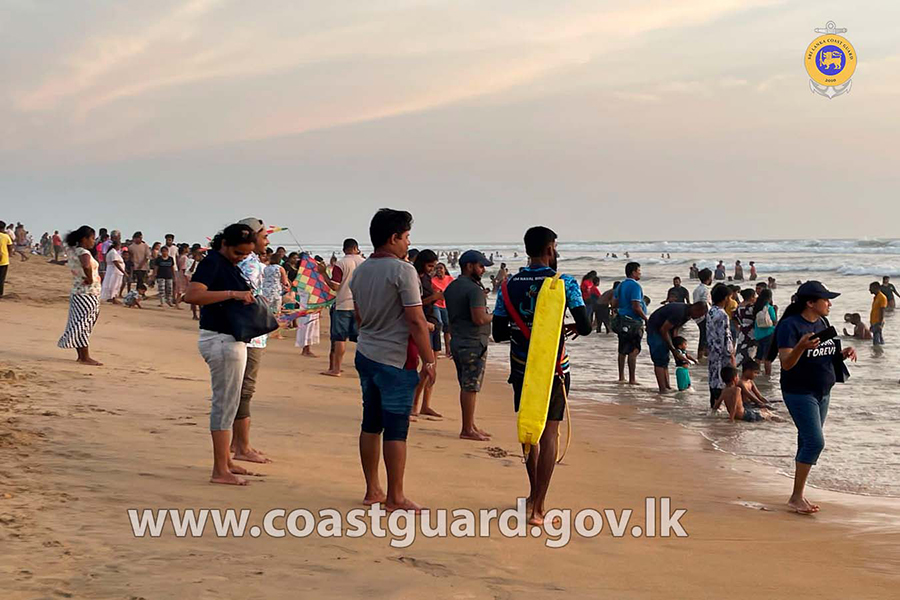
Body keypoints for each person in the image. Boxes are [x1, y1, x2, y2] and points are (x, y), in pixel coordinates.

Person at [493, 226, 592, 527]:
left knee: (528, 430)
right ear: (550, 248)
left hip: (522, 367)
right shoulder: (564, 282)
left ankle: (532, 494)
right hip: (555, 368)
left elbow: (498, 333)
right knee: (550, 432)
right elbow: (585, 325)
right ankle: (539, 505)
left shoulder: (508, 285)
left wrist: (525, 330)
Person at [350, 208, 435, 512]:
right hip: (394, 357)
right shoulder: (403, 270)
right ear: (394, 237)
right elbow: (415, 318)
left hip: (367, 351)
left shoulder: (360, 270)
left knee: (371, 422)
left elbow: (360, 317)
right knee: (396, 427)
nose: (408, 242)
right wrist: (429, 360)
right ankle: (395, 496)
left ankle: (373, 489)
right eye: (406, 236)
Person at [770, 281, 856, 514]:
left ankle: (798, 494)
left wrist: (841, 354)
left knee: (806, 440)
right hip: (799, 391)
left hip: (823, 391)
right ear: (810, 303)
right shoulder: (790, 326)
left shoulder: (822, 322)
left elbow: (821, 354)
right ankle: (796, 497)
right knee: (815, 442)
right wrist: (800, 347)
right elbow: (787, 364)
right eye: (825, 299)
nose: (829, 303)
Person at [184, 223, 258, 485]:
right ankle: (219, 470)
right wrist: (233, 294)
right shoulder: (213, 261)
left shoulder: (225, 262)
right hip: (220, 339)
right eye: (238, 252)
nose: (241, 258)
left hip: (229, 339)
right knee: (224, 403)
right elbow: (191, 295)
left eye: (246, 254)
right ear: (224, 243)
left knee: (230, 402)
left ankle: (225, 462)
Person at [443, 250, 494, 440]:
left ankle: (470, 424)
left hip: (458, 340)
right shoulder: (474, 290)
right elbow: (479, 318)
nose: (482, 270)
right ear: (469, 266)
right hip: (473, 342)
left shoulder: (452, 287)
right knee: (470, 386)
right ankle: (467, 429)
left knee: (465, 384)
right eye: (480, 266)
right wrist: (495, 316)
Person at [234, 217, 272, 464]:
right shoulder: (249, 264)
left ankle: (236, 442)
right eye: (264, 236)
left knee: (239, 389)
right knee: (245, 389)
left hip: (248, 332)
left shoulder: (249, 262)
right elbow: (248, 296)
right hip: (249, 334)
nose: (267, 241)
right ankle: (242, 447)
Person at [319, 238, 365, 377]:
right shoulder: (365, 263)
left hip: (344, 304)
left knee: (340, 338)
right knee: (362, 339)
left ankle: (336, 368)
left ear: (345, 249)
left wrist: (323, 273)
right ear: (356, 248)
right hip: (361, 305)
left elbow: (335, 286)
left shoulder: (341, 263)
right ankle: (362, 369)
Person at [57, 226, 102, 365]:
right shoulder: (83, 252)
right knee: (84, 324)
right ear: (84, 239)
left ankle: (82, 355)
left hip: (79, 292)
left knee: (81, 323)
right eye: (92, 238)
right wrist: (89, 278)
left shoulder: (74, 251)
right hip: (87, 293)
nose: (93, 242)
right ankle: (84, 356)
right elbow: (86, 265)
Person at [646, 301, 708, 393]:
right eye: (700, 314)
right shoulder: (679, 312)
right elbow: (663, 329)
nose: (699, 317)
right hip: (655, 329)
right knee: (659, 359)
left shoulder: (687, 314)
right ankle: (662, 389)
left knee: (665, 360)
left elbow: (675, 328)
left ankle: (667, 386)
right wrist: (673, 349)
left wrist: (676, 346)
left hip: (665, 330)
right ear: (696, 309)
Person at [411, 249, 442, 418]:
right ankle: (414, 404)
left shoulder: (427, 278)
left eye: (434, 266)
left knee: (432, 366)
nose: (432, 269)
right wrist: (435, 297)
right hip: (425, 321)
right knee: (426, 365)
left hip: (433, 320)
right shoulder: (415, 278)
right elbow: (415, 303)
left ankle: (425, 404)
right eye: (430, 265)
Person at [611, 262, 647, 385]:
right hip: (633, 321)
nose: (640, 273)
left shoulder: (620, 286)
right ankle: (632, 379)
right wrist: (646, 319)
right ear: (633, 272)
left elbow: (614, 304)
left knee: (622, 350)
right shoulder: (635, 286)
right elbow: (636, 306)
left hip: (622, 320)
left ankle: (621, 377)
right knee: (634, 350)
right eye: (639, 270)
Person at [707, 283, 735, 409]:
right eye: (730, 297)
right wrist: (731, 353)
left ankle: (714, 407)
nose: (731, 300)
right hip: (722, 353)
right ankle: (719, 409)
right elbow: (725, 335)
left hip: (713, 350)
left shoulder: (711, 311)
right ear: (725, 298)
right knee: (722, 381)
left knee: (713, 379)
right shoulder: (722, 314)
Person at [431, 262, 454, 357]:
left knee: (447, 327)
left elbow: (454, 290)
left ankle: (448, 351)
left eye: (441, 268)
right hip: (436, 304)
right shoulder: (432, 280)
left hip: (447, 305)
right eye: (437, 268)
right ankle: (436, 347)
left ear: (445, 269)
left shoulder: (450, 279)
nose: (439, 270)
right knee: (438, 323)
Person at [753, 289, 777, 375]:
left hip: (758, 334)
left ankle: (756, 373)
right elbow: (774, 321)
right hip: (768, 334)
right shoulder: (769, 308)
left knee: (758, 356)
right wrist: (776, 311)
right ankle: (767, 376)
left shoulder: (756, 306)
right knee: (768, 358)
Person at [693, 268, 713, 358]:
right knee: (705, 336)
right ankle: (701, 355)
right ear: (709, 278)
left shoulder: (697, 289)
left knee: (703, 335)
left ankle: (703, 354)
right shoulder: (705, 290)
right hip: (704, 315)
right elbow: (705, 304)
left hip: (697, 314)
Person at [99, 239, 126, 304]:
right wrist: (123, 272)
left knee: (114, 284)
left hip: (114, 271)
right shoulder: (113, 252)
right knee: (113, 284)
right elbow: (115, 262)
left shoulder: (113, 252)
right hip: (114, 271)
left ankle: (112, 297)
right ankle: (112, 297)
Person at [735, 288, 758, 362]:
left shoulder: (739, 306)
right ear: (751, 297)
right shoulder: (751, 308)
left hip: (742, 330)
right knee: (751, 352)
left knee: (741, 349)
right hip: (751, 331)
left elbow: (735, 318)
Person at [869, 281, 887, 346]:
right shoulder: (876, 297)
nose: (869, 290)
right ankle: (879, 353)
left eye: (871, 288)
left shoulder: (882, 297)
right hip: (874, 322)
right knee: (878, 339)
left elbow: (883, 311)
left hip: (878, 322)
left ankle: (877, 354)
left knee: (876, 341)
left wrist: (880, 324)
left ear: (876, 288)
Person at [0, 221, 13, 298]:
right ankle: (0, 294)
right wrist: (9, 254)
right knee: (1, 279)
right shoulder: (6, 236)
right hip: (4, 260)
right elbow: (10, 247)